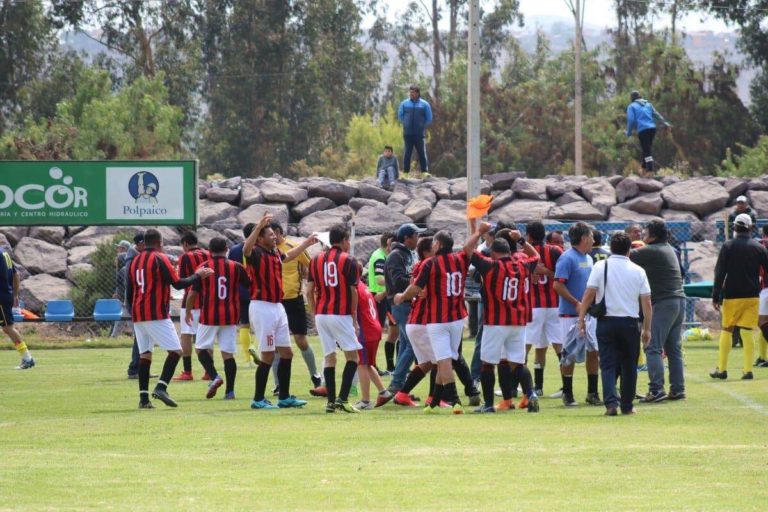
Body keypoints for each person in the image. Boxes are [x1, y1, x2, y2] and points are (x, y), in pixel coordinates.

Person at [126, 229, 214, 409]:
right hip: (155, 313)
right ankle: (161, 387)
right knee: (176, 351)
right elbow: (178, 283)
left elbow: (129, 290)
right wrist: (198, 275)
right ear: (160, 242)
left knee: (145, 355)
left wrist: (133, 312)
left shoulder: (135, 260)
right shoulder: (160, 258)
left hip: (138, 313)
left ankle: (144, 399)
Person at [244, 213, 319, 410]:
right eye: (269, 235)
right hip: (262, 306)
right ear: (260, 238)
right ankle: (258, 399)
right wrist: (259, 225)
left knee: (287, 352)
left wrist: (306, 244)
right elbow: (246, 248)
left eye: (273, 235)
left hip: (278, 306)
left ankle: (284, 397)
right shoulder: (256, 253)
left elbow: (290, 256)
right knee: (268, 355)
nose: (274, 237)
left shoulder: (275, 252)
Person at [394, 230, 472, 414]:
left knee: (440, 361)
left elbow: (417, 289)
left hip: (432, 319)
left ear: (438, 245)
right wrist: (478, 231)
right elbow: (469, 249)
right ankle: (441, 400)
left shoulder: (429, 264)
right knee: (442, 360)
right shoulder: (456, 260)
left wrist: (401, 297)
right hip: (449, 319)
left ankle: (443, 400)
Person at [469, 223, 540, 413]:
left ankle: (489, 404)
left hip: (496, 321)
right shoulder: (523, 264)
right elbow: (537, 256)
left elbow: (468, 251)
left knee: (487, 364)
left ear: (493, 252)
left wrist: (478, 232)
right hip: (518, 321)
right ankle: (531, 394)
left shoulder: (490, 265)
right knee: (517, 362)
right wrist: (521, 240)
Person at [578, 231, 652, 416]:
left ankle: (611, 403)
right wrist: (647, 328)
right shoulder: (638, 270)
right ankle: (627, 405)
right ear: (629, 250)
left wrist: (581, 319)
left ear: (611, 248)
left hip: (606, 321)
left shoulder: (601, 266)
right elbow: (647, 302)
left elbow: (589, 293)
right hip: (630, 322)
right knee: (629, 366)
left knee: (608, 364)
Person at [185, 237, 251, 400]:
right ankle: (230, 391)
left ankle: (215, 376)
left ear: (209, 249)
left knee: (200, 348)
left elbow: (193, 293)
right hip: (230, 316)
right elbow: (249, 284)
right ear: (226, 249)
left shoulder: (204, 267)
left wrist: (187, 312)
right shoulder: (236, 267)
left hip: (209, 315)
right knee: (228, 354)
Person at [307, 224, 362, 413]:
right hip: (340, 314)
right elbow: (353, 291)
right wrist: (354, 318)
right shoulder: (349, 261)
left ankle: (330, 402)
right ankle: (343, 400)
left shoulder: (315, 260)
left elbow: (308, 291)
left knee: (330, 357)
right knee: (353, 356)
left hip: (322, 313)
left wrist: (315, 313)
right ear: (345, 240)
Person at [630, 220, 687, 402]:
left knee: (652, 346)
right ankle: (677, 389)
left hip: (663, 302)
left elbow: (622, 254)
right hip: (678, 301)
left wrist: (626, 240)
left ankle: (656, 390)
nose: (642, 236)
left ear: (653, 236)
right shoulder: (668, 248)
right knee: (674, 348)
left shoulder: (650, 251)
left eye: (645, 233)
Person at [710, 214, 768, 380]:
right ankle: (748, 370)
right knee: (748, 331)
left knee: (727, 329)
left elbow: (720, 272)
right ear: (750, 228)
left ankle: (721, 369)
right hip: (752, 295)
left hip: (732, 295)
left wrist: (716, 297)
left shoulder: (728, 246)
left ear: (734, 227)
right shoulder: (759, 247)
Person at [271, 221, 325, 396]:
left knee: (301, 340)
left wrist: (311, 284)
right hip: (274, 301)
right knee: (276, 345)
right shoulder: (265, 250)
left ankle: (315, 375)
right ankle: (279, 384)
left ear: (278, 232)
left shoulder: (292, 247)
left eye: (272, 234)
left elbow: (312, 267)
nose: (271, 238)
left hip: (293, 300)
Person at [553, 222, 602, 407]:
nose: (593, 239)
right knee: (569, 352)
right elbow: (557, 284)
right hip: (570, 314)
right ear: (583, 238)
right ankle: (567, 393)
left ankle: (592, 392)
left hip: (589, 314)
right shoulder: (567, 258)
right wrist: (575, 303)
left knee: (593, 351)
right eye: (590, 236)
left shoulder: (588, 258)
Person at [384, 223, 425, 394]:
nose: (418, 239)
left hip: (407, 303)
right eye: (416, 235)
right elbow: (398, 280)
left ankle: (399, 384)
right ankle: (396, 383)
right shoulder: (396, 255)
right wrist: (418, 282)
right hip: (401, 304)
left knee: (404, 344)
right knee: (411, 344)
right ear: (407, 238)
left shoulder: (407, 254)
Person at [525, 221, 564, 397]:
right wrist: (548, 272)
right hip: (554, 306)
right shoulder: (555, 251)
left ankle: (517, 386)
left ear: (529, 236)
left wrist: (542, 272)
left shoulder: (524, 253)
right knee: (551, 346)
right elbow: (564, 276)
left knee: (524, 348)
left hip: (534, 306)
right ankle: (551, 387)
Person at [173, 232, 209, 381]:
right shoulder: (208, 254)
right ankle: (208, 372)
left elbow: (181, 280)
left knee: (186, 335)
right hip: (207, 301)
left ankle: (187, 372)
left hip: (190, 301)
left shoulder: (185, 257)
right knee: (206, 336)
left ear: (185, 244)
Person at [354, 263, 387, 410]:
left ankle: (365, 400)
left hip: (365, 331)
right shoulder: (363, 286)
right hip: (374, 329)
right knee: (367, 364)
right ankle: (383, 392)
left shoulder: (354, 288)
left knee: (361, 364)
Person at [228, 223, 259, 367]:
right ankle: (255, 348)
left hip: (240, 291)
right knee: (261, 324)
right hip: (257, 290)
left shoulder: (234, 250)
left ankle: (248, 359)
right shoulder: (258, 249)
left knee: (244, 324)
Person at [367, 231, 398, 374]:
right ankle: (371, 364)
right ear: (388, 242)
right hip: (378, 298)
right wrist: (397, 281)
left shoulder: (386, 256)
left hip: (386, 297)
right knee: (376, 333)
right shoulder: (380, 257)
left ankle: (391, 367)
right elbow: (380, 280)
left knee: (395, 329)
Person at [0, 246, 35, 369]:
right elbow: (16, 275)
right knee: (7, 328)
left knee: (8, 328)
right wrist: (14, 294)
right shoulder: (4, 252)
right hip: (6, 295)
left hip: (1, 297)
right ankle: (27, 358)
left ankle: (27, 358)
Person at [626, 90, 669, 175]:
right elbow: (656, 114)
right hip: (652, 129)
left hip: (643, 130)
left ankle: (650, 170)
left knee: (647, 150)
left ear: (632, 98)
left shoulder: (631, 106)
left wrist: (629, 132)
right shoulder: (648, 104)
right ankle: (644, 168)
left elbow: (631, 120)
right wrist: (665, 122)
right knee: (646, 149)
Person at [397, 85, 432, 177]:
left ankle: (424, 172)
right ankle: (405, 173)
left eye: (412, 92)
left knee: (421, 152)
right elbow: (400, 116)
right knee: (407, 152)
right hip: (407, 133)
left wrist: (421, 126)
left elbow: (429, 118)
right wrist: (405, 124)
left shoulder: (424, 104)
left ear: (417, 93)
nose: (411, 94)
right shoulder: (404, 103)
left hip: (419, 134)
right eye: (410, 92)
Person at [125, 233, 146, 379]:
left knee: (143, 336)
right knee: (140, 336)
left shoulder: (136, 257)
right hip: (136, 302)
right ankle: (134, 369)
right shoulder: (133, 260)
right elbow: (130, 284)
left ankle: (140, 369)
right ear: (139, 244)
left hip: (139, 302)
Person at [110, 240, 132, 338]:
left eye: (119, 247)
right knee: (123, 318)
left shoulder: (124, 263)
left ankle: (113, 338)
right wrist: (117, 292)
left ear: (124, 249)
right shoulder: (125, 262)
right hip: (125, 297)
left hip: (128, 297)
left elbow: (123, 284)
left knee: (127, 317)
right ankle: (113, 338)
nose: (117, 249)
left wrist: (118, 293)